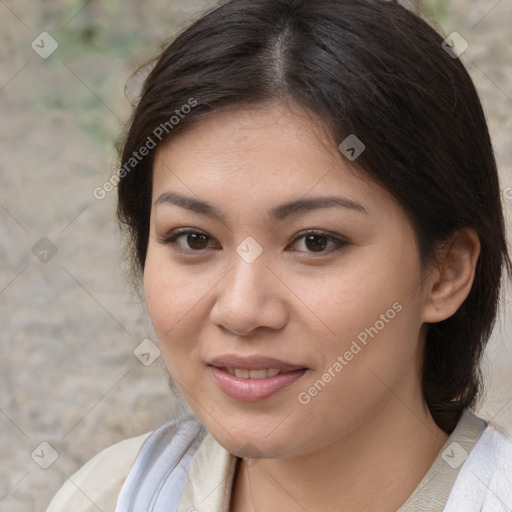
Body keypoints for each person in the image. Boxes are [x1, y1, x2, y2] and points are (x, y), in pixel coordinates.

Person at [45, 0, 512, 510]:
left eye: (315, 241)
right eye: (194, 239)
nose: (242, 311)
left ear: (446, 272)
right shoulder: (109, 496)